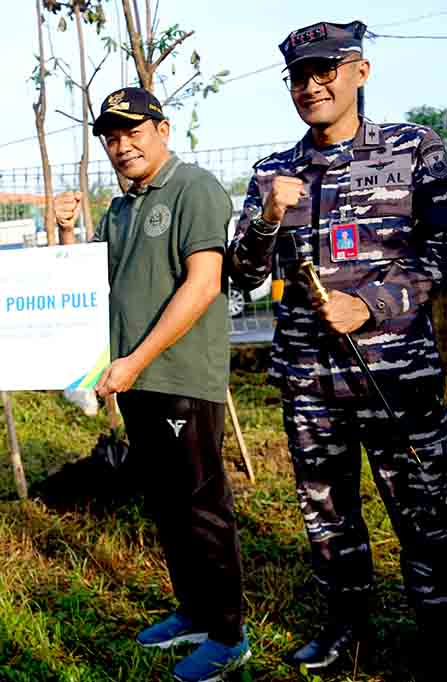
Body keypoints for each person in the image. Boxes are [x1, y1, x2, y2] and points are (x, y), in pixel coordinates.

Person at [227, 21, 447, 675]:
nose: (311, 84)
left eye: (325, 69)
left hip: (395, 372)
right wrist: (266, 217)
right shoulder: (273, 171)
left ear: (360, 71)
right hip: (309, 381)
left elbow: (440, 250)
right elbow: (239, 274)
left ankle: (435, 633)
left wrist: (373, 305)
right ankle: (344, 631)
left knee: (424, 511)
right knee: (327, 515)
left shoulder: (414, 149)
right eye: (298, 74)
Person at [55, 88, 249, 682]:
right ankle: (193, 611)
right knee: (167, 502)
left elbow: (203, 283)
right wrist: (66, 234)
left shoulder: (194, 187)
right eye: (111, 137)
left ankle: (228, 633)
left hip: (180, 376)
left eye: (132, 131)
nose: (121, 145)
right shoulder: (120, 208)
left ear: (162, 129)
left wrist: (135, 361)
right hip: (135, 379)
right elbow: (93, 284)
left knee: (200, 503)